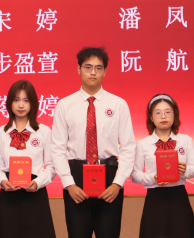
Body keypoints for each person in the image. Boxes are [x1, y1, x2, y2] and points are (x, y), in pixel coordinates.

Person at [51, 46, 136, 238]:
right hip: (76, 177)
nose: (93, 72)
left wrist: (118, 183)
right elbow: (57, 148)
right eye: (88, 67)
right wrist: (69, 184)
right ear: (78, 69)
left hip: (109, 176)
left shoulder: (118, 104)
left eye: (98, 68)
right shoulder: (64, 105)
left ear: (105, 71)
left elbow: (129, 147)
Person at [0, 80, 56, 238]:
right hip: (9, 194)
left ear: (33, 103)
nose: (21, 105)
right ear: (9, 103)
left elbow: (51, 166)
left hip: (35, 193)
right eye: (16, 100)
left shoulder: (44, 131)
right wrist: (2, 181)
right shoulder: (0, 133)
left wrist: (38, 183)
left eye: (26, 100)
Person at [131, 94, 194, 238]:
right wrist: (153, 178)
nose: (163, 116)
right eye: (158, 112)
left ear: (174, 115)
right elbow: (135, 175)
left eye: (168, 112)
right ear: (151, 117)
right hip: (155, 199)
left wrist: (184, 171)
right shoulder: (142, 144)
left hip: (179, 197)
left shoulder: (185, 140)